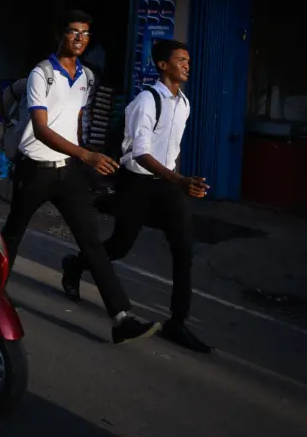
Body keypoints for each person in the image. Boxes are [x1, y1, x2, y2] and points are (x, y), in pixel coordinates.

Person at [0, 10, 160, 344]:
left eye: (85, 34)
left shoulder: (87, 76)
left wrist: (85, 160)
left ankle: (121, 317)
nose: (79, 39)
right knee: (13, 234)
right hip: (36, 169)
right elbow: (42, 129)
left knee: (91, 242)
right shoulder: (41, 74)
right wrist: (86, 155)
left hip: (69, 171)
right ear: (59, 34)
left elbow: (75, 121)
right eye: (73, 32)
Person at [62, 39, 213, 353]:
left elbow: (169, 150)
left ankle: (177, 322)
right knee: (120, 246)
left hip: (167, 185)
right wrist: (180, 180)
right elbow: (141, 152)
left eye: (188, 60)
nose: (187, 65)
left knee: (184, 249)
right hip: (137, 184)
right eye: (181, 60)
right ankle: (76, 265)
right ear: (163, 65)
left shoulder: (183, 103)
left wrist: (179, 182)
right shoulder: (146, 101)